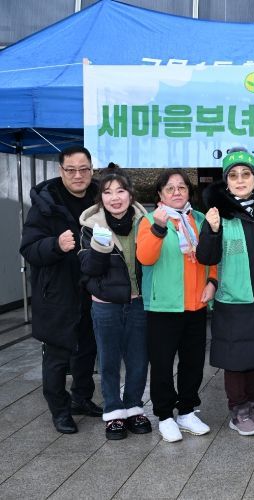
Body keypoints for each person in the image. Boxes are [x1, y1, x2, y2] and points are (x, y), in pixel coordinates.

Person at [20, 146, 103, 434]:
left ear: (91, 170)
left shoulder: (100, 198)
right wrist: (55, 245)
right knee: (57, 355)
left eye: (84, 169)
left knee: (88, 349)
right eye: (71, 170)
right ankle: (60, 410)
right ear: (61, 170)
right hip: (57, 292)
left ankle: (82, 398)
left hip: (92, 288)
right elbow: (29, 248)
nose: (78, 175)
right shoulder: (46, 204)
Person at [196, 148, 254, 437]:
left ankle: (253, 406)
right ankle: (238, 411)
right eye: (233, 176)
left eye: (246, 174)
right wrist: (212, 231)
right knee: (236, 359)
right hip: (235, 299)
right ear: (226, 181)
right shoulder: (219, 215)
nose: (240, 180)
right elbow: (206, 257)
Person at [136, 169, 217, 443]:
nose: (176, 192)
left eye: (181, 187)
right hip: (163, 305)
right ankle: (164, 415)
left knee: (193, 362)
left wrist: (213, 282)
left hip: (196, 304)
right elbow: (145, 258)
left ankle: (186, 410)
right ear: (160, 194)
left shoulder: (201, 219)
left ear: (189, 191)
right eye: (169, 188)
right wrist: (159, 229)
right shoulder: (150, 220)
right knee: (161, 363)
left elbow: (211, 256)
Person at [78, 165, 152, 440]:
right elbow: (88, 268)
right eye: (108, 192)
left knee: (138, 359)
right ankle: (113, 412)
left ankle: (134, 408)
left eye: (120, 191)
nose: (115, 197)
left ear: (130, 194)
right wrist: (100, 248)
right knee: (108, 361)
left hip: (138, 302)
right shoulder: (91, 226)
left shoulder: (145, 223)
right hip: (105, 304)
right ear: (101, 198)